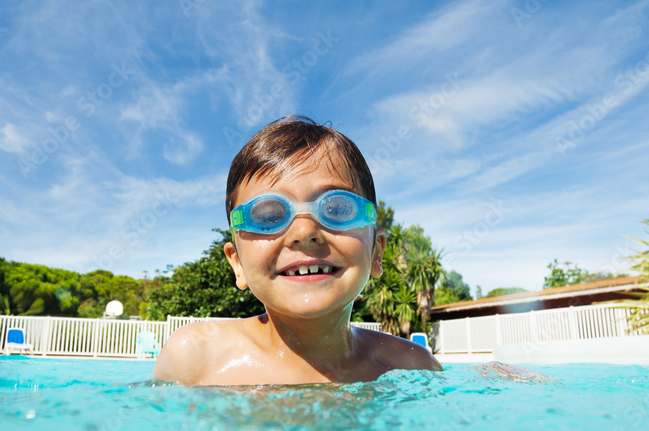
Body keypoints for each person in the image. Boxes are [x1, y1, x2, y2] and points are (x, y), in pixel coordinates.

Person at [153, 115, 443, 386]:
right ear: (237, 263)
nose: (304, 232)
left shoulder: (412, 367)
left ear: (376, 253)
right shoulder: (196, 360)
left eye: (337, 209)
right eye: (267, 216)